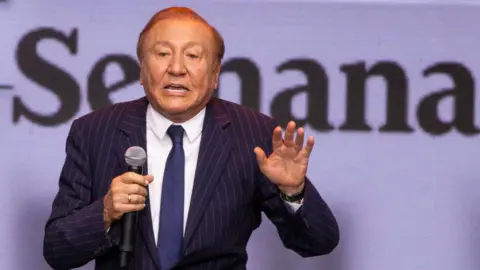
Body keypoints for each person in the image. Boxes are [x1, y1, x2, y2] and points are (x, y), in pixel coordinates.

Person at [43, 6, 339, 270]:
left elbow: (319, 242)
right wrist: (105, 212)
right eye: (162, 54)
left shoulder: (254, 134)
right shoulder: (94, 131)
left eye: (193, 55)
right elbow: (56, 250)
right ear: (142, 70)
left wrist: (293, 192)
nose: (176, 68)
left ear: (215, 74)